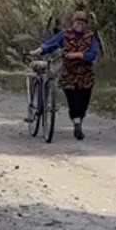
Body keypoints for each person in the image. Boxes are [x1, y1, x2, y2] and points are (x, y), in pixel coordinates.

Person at [26, 10, 99, 140]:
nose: (79, 25)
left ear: (85, 24)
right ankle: (77, 124)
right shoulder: (65, 34)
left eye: (82, 22)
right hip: (69, 74)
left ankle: (79, 120)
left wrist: (78, 55)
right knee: (73, 101)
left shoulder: (90, 36)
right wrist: (39, 50)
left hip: (86, 75)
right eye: (77, 22)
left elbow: (92, 54)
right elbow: (51, 44)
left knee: (83, 103)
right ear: (73, 23)